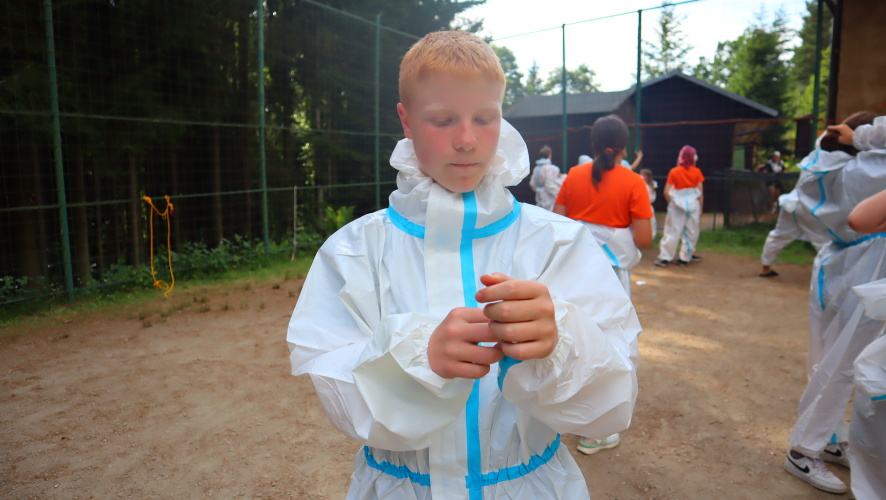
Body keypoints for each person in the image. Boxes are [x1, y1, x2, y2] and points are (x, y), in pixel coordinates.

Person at [286, 31, 640, 500]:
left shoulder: (556, 243)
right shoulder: (354, 251)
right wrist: (420, 361)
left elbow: (611, 402)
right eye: (443, 120)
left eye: (485, 119)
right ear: (406, 120)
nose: (468, 139)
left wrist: (561, 341)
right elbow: (338, 390)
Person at [784, 111, 884, 495]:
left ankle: (827, 438)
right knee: (843, 364)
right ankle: (803, 448)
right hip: (868, 268)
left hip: (833, 263)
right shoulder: (874, 169)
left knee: (825, 359)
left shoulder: (829, 166)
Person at [553, 115, 652, 456]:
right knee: (612, 343)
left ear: (592, 144)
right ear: (624, 146)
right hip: (611, 276)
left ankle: (566, 414)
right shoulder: (633, 182)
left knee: (572, 338)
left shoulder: (573, 176)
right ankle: (598, 430)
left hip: (574, 272)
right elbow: (644, 238)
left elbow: (557, 220)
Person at [758, 186, 831, 278]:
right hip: (809, 205)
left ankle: (765, 269)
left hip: (790, 202)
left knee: (779, 235)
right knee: (824, 241)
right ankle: (831, 272)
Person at [655, 145, 704, 268]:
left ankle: (665, 257)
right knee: (691, 231)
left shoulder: (674, 171)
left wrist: (671, 203)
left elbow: (666, 192)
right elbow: (700, 192)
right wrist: (700, 207)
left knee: (672, 231)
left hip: (677, 204)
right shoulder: (697, 172)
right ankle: (686, 257)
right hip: (693, 204)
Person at [528, 144, 564, 211]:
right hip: (549, 197)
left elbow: (532, 183)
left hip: (538, 196)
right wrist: (559, 193)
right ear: (549, 155)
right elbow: (549, 185)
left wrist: (538, 189)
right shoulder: (551, 168)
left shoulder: (536, 168)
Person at [639, 168, 658, 239]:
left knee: (651, 221)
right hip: (642, 205)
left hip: (647, 205)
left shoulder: (650, 185)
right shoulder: (641, 184)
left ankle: (651, 234)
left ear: (646, 177)